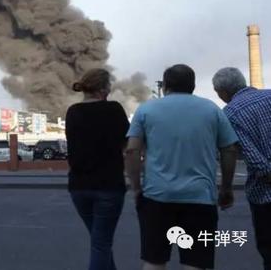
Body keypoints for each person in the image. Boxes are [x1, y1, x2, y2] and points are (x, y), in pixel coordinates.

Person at [125, 64, 239, 270]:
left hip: (157, 196)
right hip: (200, 198)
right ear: (193, 85)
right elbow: (229, 150)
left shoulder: (146, 109)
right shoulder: (212, 109)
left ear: (166, 85)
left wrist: (136, 188)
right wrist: (226, 188)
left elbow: (132, 151)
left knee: (154, 260)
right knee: (196, 262)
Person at [66, 68, 130, 270]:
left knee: (99, 241)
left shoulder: (73, 112)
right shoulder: (114, 109)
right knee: (101, 243)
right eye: (109, 85)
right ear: (103, 89)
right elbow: (127, 145)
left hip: (79, 188)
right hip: (108, 186)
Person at [212, 67, 271, 269]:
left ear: (223, 92)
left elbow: (255, 160)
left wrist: (225, 189)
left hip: (265, 196)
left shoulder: (230, 114)